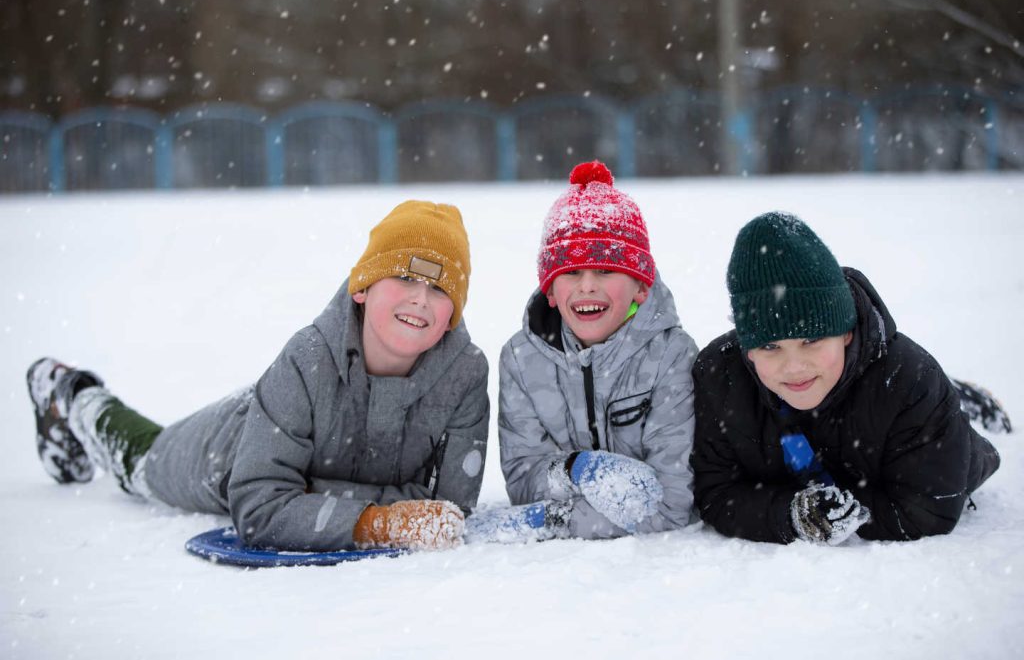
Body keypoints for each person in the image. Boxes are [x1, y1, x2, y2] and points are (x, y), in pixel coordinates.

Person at [27, 200, 489, 552]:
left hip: (291, 455)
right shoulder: (307, 357)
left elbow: (448, 509)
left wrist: (310, 494)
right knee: (141, 459)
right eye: (405, 279)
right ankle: (71, 392)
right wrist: (376, 522)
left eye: (438, 288)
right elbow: (257, 505)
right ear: (363, 287)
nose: (420, 301)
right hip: (228, 448)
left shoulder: (465, 374)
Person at [690, 211, 1007, 546]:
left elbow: (928, 510)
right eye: (770, 346)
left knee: (958, 417)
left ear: (846, 333)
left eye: (811, 340)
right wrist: (790, 514)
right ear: (748, 349)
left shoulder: (910, 380)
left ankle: (973, 399)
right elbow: (714, 492)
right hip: (833, 450)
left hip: (936, 437)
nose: (794, 365)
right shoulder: (719, 377)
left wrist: (846, 512)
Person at [465, 160, 697, 543]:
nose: (587, 286)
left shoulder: (670, 355)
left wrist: (550, 519)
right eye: (571, 272)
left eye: (605, 270)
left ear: (640, 287)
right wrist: (575, 469)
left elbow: (669, 504)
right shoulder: (522, 360)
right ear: (551, 291)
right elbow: (524, 481)